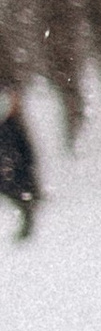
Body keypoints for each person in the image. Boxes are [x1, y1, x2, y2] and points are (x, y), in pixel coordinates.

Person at [0, 91, 39, 239]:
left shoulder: (11, 126)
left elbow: (25, 151)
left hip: (14, 171)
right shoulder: (9, 126)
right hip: (12, 171)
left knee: (19, 198)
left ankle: (26, 228)